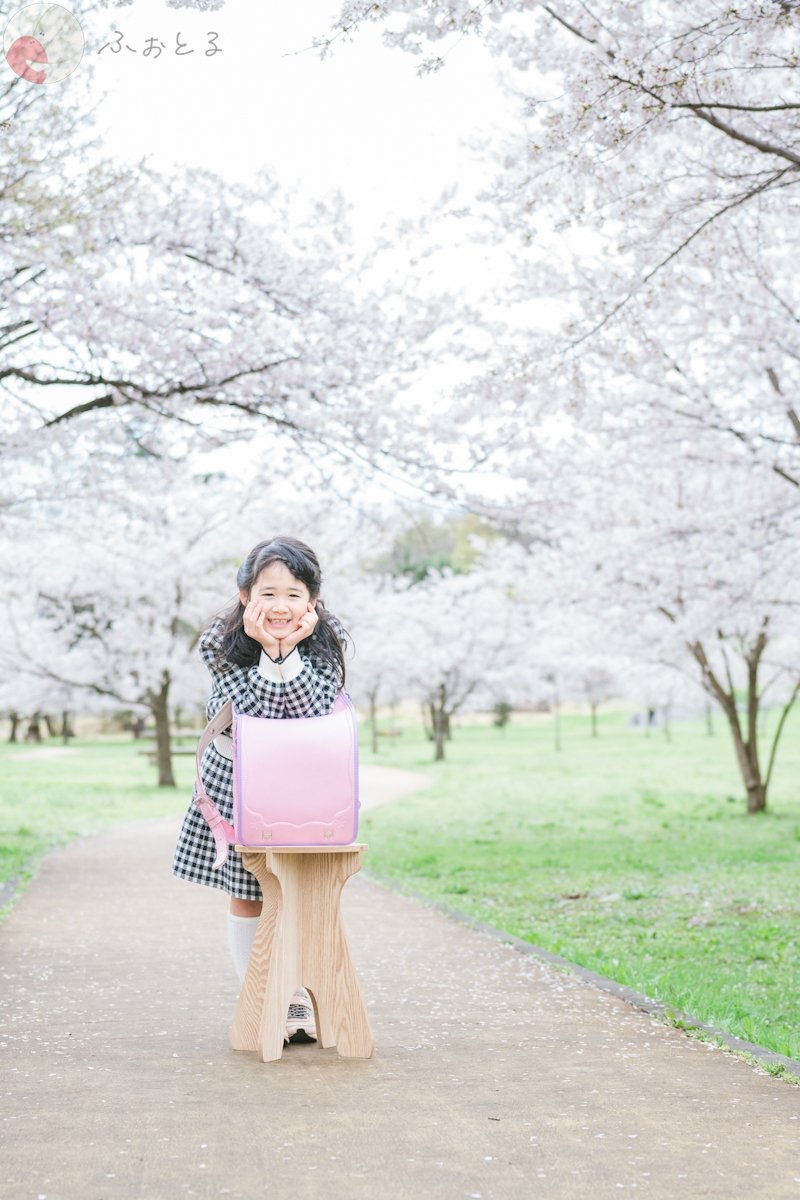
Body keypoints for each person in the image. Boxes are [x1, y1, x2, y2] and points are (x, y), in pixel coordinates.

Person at [172, 535, 350, 1044]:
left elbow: (310, 711)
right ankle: (264, 994)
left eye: (293, 594)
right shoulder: (221, 644)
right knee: (248, 893)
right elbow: (254, 717)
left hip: (306, 789)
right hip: (239, 785)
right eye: (267, 593)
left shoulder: (326, 642)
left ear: (311, 601)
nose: (280, 606)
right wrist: (269, 656)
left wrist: (284, 654)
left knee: (302, 895)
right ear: (247, 595)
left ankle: (299, 997)